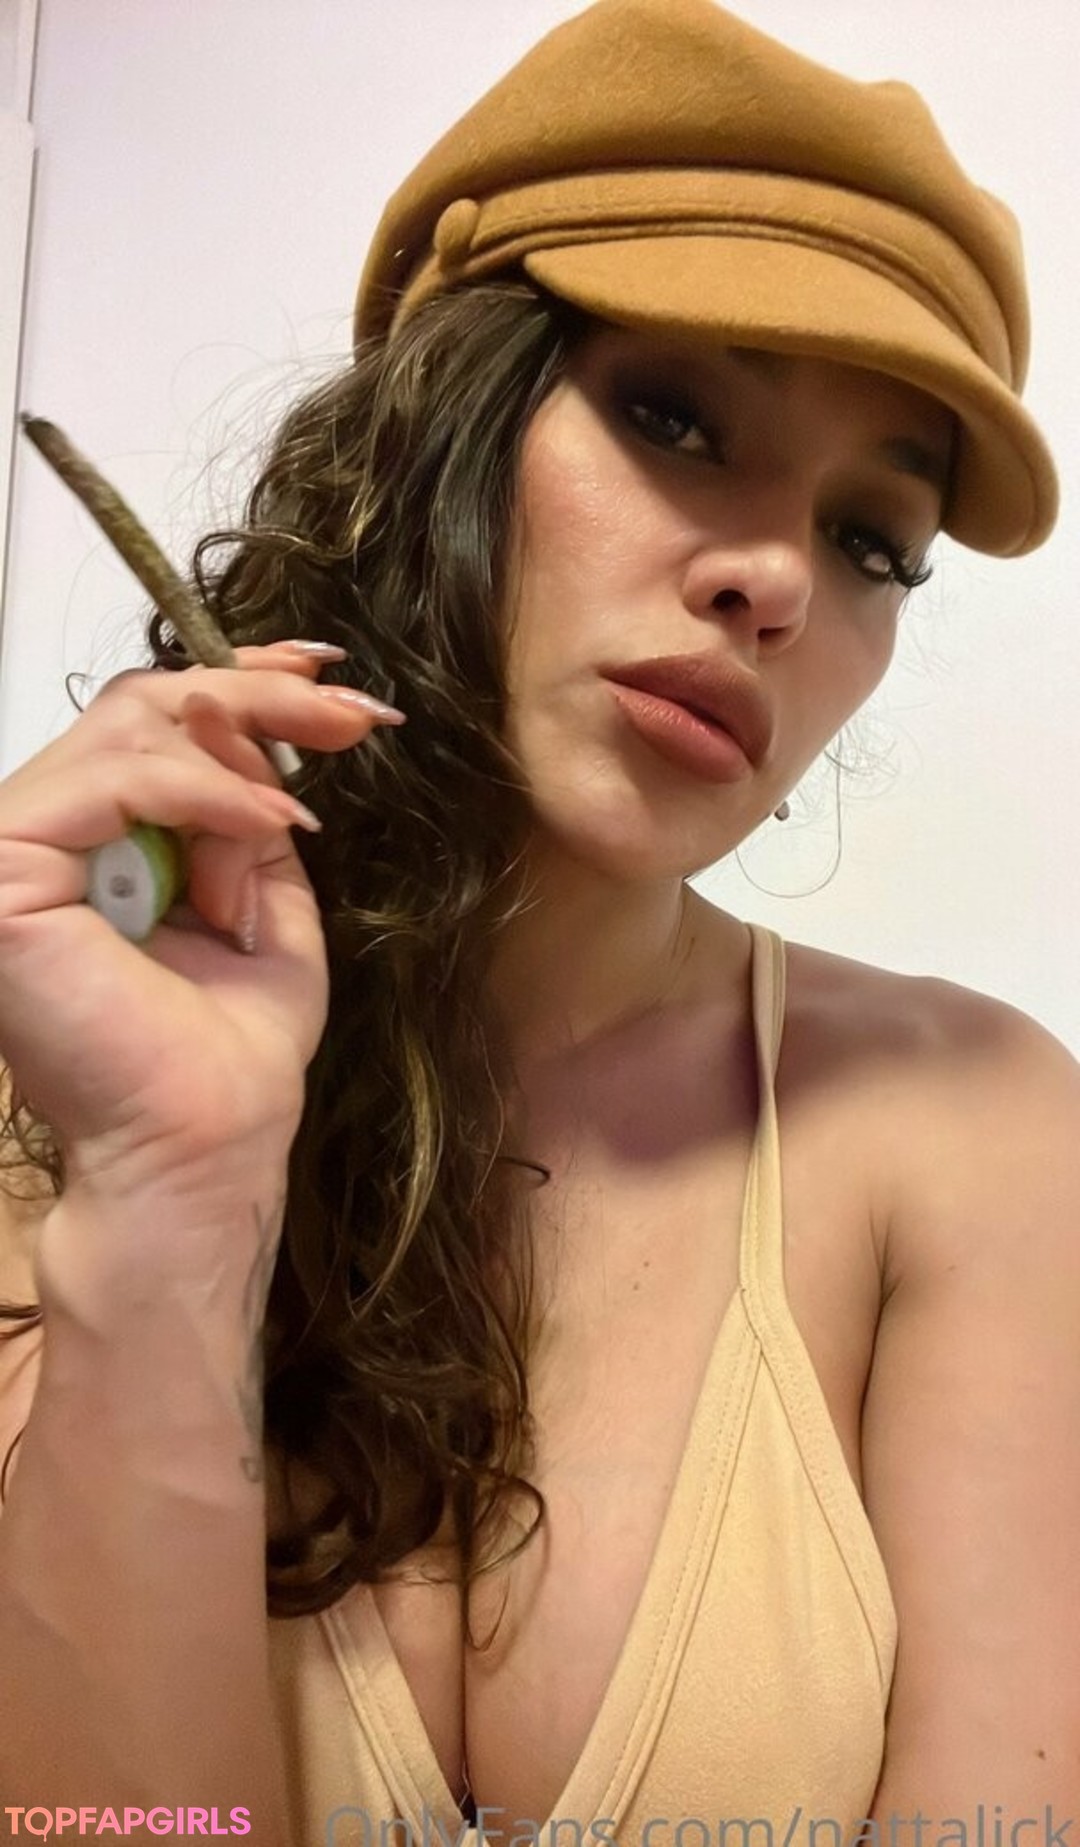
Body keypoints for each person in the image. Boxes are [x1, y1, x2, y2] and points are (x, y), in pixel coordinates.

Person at [0, 0, 1076, 1838]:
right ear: (445, 425)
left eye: (869, 541)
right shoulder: (64, 1087)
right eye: (675, 416)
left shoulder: (976, 1132)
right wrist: (172, 1209)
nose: (775, 578)